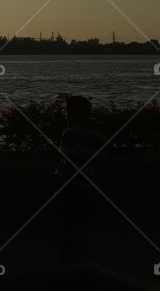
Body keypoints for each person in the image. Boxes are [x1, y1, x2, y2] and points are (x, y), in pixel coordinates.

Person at [56, 94, 107, 265]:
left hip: (72, 188)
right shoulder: (98, 135)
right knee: (78, 227)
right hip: (89, 187)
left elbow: (68, 164)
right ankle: (76, 262)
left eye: (68, 111)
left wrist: (60, 189)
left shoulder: (70, 133)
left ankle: (68, 263)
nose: (66, 114)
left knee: (66, 228)